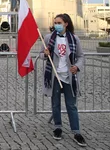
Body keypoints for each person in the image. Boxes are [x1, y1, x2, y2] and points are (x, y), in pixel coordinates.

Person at [40, 13, 87, 147]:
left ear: (66, 23)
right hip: (54, 76)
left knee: (71, 105)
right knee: (55, 103)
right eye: (55, 23)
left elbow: (81, 56)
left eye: (59, 23)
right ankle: (58, 127)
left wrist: (77, 67)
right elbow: (41, 54)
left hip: (69, 77)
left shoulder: (74, 39)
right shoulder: (49, 38)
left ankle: (76, 132)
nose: (56, 25)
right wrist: (45, 53)